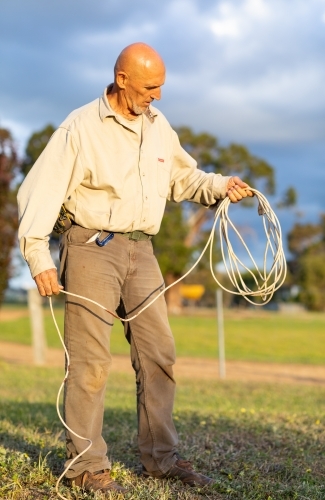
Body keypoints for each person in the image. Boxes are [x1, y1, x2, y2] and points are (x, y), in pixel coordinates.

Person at [17, 42, 253, 495]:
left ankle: (162, 460)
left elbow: (184, 177)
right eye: (150, 87)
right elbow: (38, 191)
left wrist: (222, 186)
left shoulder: (157, 125)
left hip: (142, 251)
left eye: (161, 86)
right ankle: (86, 466)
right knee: (90, 362)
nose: (157, 96)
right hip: (90, 247)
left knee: (159, 353)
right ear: (121, 79)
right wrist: (38, 256)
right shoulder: (80, 127)